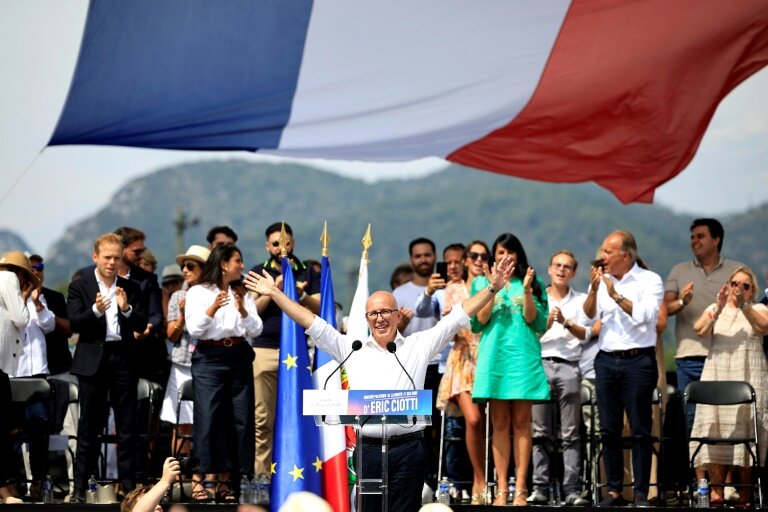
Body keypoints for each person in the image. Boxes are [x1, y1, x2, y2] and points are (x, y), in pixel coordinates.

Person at [244, 253, 515, 512]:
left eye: (386, 312)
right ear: (366, 319)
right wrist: (276, 293)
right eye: (373, 314)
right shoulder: (351, 346)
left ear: (398, 315)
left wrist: (492, 288)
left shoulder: (418, 346)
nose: (379, 318)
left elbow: (457, 317)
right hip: (369, 450)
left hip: (409, 448)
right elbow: (310, 321)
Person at [583, 230, 663, 508]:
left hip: (638, 361)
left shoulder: (649, 280)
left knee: (640, 429)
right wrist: (595, 289)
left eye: (607, 252)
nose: (601, 257)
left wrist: (615, 294)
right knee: (608, 429)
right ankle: (614, 490)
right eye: (602, 251)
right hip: (606, 360)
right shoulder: (601, 280)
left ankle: (640, 493)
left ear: (625, 255)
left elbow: (646, 316)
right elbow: (588, 315)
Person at [67, 233, 148, 502]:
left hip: (123, 359)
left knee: (127, 427)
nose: (112, 263)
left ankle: (130, 487)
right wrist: (96, 310)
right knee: (88, 426)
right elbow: (75, 323)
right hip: (93, 360)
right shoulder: (81, 285)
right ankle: (80, 488)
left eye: (116, 257)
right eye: (107, 257)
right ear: (95, 257)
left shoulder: (131, 287)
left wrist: (126, 309)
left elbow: (140, 324)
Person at [471, 233, 549, 506]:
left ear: (518, 254)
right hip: (495, 359)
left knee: (523, 424)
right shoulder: (481, 282)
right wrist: (495, 286)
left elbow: (536, 322)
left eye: (510, 251)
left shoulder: (534, 282)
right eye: (500, 252)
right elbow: (479, 321)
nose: (505, 256)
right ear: (494, 257)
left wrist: (527, 290)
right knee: (500, 424)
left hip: (523, 360)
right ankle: (502, 489)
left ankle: (521, 489)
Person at [185, 244, 263, 503]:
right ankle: (199, 480)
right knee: (207, 419)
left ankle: (227, 482)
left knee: (239, 420)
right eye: (237, 261)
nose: (242, 265)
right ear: (223, 264)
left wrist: (241, 308)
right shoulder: (198, 291)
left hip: (238, 356)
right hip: (209, 358)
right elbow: (195, 329)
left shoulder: (242, 292)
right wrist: (213, 308)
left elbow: (256, 329)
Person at [689, 266, 768, 506]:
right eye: (735, 284)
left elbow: (764, 327)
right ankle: (715, 493)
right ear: (728, 285)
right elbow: (699, 330)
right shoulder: (716, 309)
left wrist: (743, 305)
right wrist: (719, 307)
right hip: (717, 374)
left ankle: (745, 495)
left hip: (748, 374)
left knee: (746, 433)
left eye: (745, 285)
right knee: (716, 431)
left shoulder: (759, 308)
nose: (739, 289)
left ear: (752, 290)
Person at [248, 222, 320, 478]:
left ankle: (298, 476)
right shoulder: (259, 271)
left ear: (293, 243)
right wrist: (273, 292)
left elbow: (322, 307)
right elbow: (250, 311)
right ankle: (262, 480)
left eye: (286, 242)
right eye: (275, 243)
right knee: (263, 420)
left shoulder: (308, 271)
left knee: (299, 416)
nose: (281, 247)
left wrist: (300, 297)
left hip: (299, 355)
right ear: (267, 246)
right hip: (264, 351)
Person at [664, 218, 744, 432]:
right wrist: (682, 301)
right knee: (692, 421)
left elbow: (747, 305)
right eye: (692, 237)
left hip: (726, 356)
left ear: (716, 239)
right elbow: (664, 309)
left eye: (700, 236)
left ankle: (725, 466)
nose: (694, 241)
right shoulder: (679, 271)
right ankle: (697, 467)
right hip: (689, 357)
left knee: (727, 421)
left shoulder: (737, 271)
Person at [528, 250, 592, 506]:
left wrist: (565, 322)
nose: (562, 270)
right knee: (539, 431)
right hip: (541, 363)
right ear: (550, 269)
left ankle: (572, 490)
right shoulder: (538, 297)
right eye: (557, 265)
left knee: (571, 432)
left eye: (567, 267)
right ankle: (540, 487)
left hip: (569, 365)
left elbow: (585, 334)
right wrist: (546, 323)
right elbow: (531, 331)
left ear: (573, 272)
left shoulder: (580, 300)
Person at [434, 241, 490, 503]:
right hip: (463, 358)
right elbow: (451, 327)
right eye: (474, 255)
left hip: (488, 357)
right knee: (474, 419)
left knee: (492, 424)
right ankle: (479, 478)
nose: (479, 259)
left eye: (484, 255)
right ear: (465, 259)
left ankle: (490, 477)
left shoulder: (491, 286)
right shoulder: (454, 288)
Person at [160, 246, 210, 455]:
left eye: (191, 266)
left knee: (206, 421)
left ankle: (203, 472)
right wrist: (182, 316)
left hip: (207, 362)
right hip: (182, 363)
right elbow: (171, 335)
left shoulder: (214, 295)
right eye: (184, 266)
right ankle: (180, 473)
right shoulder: (178, 295)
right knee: (181, 423)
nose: (185, 270)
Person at [0, 251, 38, 504]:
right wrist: (23, 299)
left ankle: (7, 487)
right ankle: (4, 490)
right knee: (2, 429)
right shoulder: (9, 279)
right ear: (22, 273)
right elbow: (21, 319)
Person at [29, 254, 72, 376]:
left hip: (59, 367)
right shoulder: (16, 299)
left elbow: (69, 330)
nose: (36, 271)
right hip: (28, 370)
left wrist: (44, 312)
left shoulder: (56, 297)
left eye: (39, 267)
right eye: (31, 268)